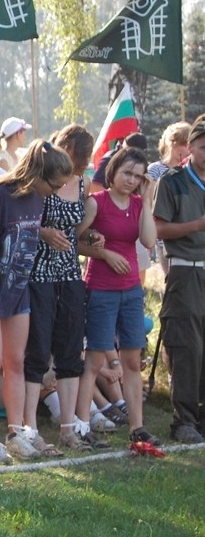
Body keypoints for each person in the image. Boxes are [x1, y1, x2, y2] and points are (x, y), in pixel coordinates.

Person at [0, 140, 73, 464]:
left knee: (16, 362)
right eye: (53, 184)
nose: (55, 191)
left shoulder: (36, 198)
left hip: (17, 291)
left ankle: (14, 433)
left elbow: (24, 228)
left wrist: (43, 233)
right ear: (37, 173)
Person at [23, 125, 104, 453]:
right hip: (38, 273)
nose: (80, 166)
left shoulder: (83, 184)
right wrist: (43, 233)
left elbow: (77, 231)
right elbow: (20, 222)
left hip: (70, 273)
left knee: (71, 351)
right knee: (38, 350)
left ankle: (69, 427)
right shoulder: (38, 180)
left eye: (84, 161)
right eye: (78, 157)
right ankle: (29, 427)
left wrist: (90, 238)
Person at [75, 147, 160, 446]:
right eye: (127, 173)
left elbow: (149, 241)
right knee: (95, 360)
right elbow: (73, 242)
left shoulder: (138, 204)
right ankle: (82, 425)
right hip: (101, 289)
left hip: (131, 292)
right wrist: (104, 253)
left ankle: (137, 427)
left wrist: (147, 201)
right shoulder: (95, 203)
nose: (132, 180)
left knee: (132, 361)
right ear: (113, 170)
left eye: (138, 176)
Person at [152, 115, 205, 444]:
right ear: (190, 147)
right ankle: (184, 420)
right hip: (185, 269)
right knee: (187, 346)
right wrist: (196, 225)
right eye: (203, 146)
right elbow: (158, 229)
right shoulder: (172, 181)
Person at [148, 122, 191, 275]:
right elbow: (149, 202)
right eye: (183, 144)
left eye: (189, 144)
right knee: (173, 280)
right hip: (165, 237)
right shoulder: (156, 169)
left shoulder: (191, 171)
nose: (187, 149)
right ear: (172, 144)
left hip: (191, 235)